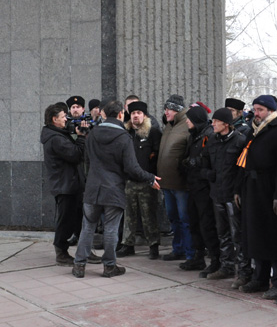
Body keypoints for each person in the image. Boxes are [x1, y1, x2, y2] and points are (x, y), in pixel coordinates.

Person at [72, 100, 161, 279]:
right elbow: (132, 167)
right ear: (121, 114)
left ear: (104, 113)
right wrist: (149, 177)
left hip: (92, 188)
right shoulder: (123, 137)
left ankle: (79, 265)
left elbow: (87, 162)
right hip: (113, 189)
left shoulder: (93, 133)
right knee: (111, 229)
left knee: (87, 227)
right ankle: (109, 267)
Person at [234, 95, 277, 297]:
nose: (256, 114)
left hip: (270, 190)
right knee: (256, 236)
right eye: (255, 109)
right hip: (252, 189)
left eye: (260, 110)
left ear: (270, 111)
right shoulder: (254, 131)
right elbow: (244, 161)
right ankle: (260, 278)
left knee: (275, 237)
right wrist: (239, 189)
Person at [40, 103, 100, 266]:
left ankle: (85, 251)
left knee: (80, 219)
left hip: (71, 184)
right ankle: (61, 252)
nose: (66, 118)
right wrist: (81, 137)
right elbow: (76, 155)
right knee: (65, 220)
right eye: (63, 116)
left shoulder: (58, 134)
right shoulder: (56, 139)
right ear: (54, 119)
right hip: (65, 186)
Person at [200, 108, 247, 280]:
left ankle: (243, 271)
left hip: (232, 196)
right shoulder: (211, 140)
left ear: (225, 124)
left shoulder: (239, 141)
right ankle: (226, 266)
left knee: (237, 235)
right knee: (223, 233)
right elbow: (203, 164)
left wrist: (238, 191)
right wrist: (207, 174)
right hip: (216, 194)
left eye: (215, 121)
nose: (212, 124)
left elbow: (243, 170)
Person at [119, 100, 163, 259]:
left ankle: (153, 245)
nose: (135, 116)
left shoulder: (153, 132)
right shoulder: (125, 133)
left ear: (144, 116)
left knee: (148, 215)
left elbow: (158, 156)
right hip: (129, 181)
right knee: (129, 215)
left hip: (147, 181)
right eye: (133, 113)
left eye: (138, 113)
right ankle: (127, 244)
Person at [156, 94, 193, 263]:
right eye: (165, 109)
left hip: (181, 183)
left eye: (168, 109)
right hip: (167, 182)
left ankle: (190, 252)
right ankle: (177, 248)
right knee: (173, 218)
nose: (166, 112)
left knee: (185, 219)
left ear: (176, 110)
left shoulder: (186, 125)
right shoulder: (169, 126)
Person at [182, 105, 218, 273]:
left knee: (207, 224)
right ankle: (198, 256)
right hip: (193, 186)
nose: (187, 121)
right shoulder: (194, 135)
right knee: (194, 222)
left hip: (204, 188)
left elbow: (212, 162)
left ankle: (215, 260)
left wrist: (197, 163)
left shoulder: (209, 135)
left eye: (189, 118)